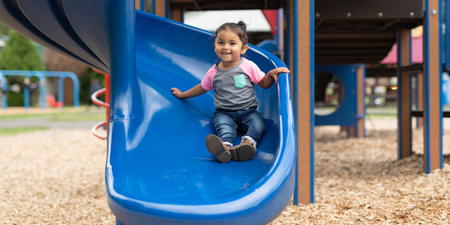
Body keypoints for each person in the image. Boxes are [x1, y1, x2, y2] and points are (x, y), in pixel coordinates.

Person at [171, 21, 290, 163]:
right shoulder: (213, 72)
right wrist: (183, 94)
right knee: (223, 128)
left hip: (248, 112)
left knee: (258, 125)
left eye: (232, 43)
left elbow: (263, 84)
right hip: (224, 113)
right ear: (215, 46)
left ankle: (247, 144)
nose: (225, 47)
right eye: (221, 42)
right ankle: (224, 148)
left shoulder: (248, 66)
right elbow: (202, 87)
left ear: (243, 48)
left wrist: (270, 74)